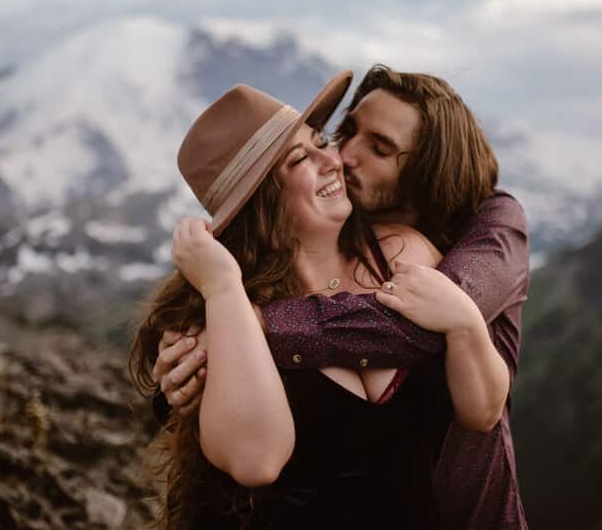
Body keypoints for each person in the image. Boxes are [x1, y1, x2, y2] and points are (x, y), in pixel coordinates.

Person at [156, 65, 530, 530]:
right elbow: (255, 460)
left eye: (320, 142)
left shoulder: (406, 251)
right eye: (301, 158)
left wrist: (467, 324)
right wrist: (224, 292)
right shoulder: (226, 311)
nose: (337, 158)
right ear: (262, 202)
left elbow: (481, 408)